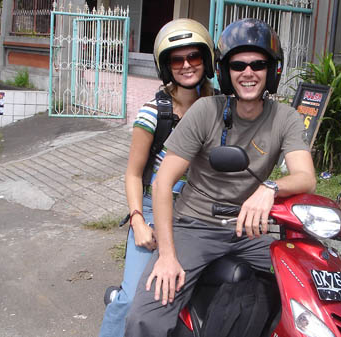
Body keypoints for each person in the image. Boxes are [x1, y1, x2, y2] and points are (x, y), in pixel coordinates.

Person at [124, 18, 316, 337]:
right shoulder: (206, 112)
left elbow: (305, 177)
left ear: (272, 71)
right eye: (238, 64)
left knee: (301, 289)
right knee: (146, 317)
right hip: (195, 226)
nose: (248, 72)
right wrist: (168, 256)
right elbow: (162, 182)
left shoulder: (286, 117)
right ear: (226, 71)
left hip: (251, 229)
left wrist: (270, 188)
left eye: (258, 64)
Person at [98, 18, 215, 337]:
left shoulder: (221, 109)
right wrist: (137, 221)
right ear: (166, 65)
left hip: (202, 212)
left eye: (194, 57)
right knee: (134, 300)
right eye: (177, 59)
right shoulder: (154, 113)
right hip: (153, 211)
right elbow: (134, 173)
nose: (187, 65)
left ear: (207, 61)